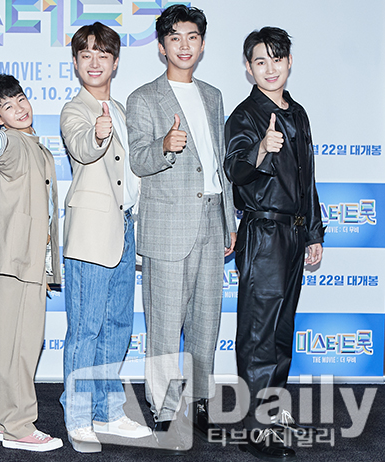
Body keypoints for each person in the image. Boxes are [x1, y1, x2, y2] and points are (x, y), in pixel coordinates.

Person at [126, 4, 236, 452]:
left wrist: (229, 218)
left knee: (207, 320)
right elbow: (138, 159)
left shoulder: (213, 95)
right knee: (165, 324)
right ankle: (165, 409)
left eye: (192, 37)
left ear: (202, 44)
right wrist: (165, 146)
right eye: (175, 38)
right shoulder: (143, 98)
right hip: (168, 224)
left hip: (212, 217)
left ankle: (202, 401)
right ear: (161, 46)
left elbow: (220, 163)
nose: (184, 45)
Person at [224, 26, 324, 461]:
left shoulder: (298, 112)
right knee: (259, 335)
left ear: (289, 62)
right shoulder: (245, 116)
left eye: (276, 59)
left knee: (281, 334)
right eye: (260, 61)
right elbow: (234, 169)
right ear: (248, 68)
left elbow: (308, 177)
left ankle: (275, 414)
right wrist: (262, 149)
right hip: (263, 234)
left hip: (295, 233)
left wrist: (314, 232)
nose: (269, 69)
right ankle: (257, 427)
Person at [59, 22, 151, 453]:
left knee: (117, 327)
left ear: (115, 62)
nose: (94, 62)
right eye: (86, 55)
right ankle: (78, 417)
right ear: (76, 63)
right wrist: (97, 134)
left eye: (102, 55)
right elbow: (82, 146)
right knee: (85, 330)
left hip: (125, 228)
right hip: (91, 233)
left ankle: (109, 410)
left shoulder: (124, 110)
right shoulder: (74, 110)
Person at [0, 73, 63, 452]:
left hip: (29, 262)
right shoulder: (12, 142)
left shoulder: (37, 146)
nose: (19, 108)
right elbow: (1, 151)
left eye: (21, 99)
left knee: (22, 347)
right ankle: (17, 426)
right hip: (14, 260)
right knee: (14, 349)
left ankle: (7, 424)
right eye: (8, 107)